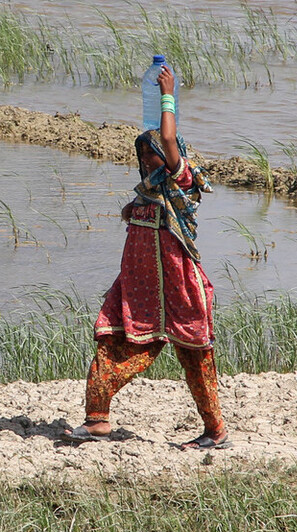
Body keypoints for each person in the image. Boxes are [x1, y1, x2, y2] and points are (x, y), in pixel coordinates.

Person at [64, 65, 227, 450]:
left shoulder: (181, 183)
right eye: (142, 156)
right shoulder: (145, 196)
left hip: (177, 287)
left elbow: (168, 137)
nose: (146, 161)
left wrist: (167, 94)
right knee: (112, 340)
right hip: (138, 290)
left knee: (196, 360)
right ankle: (97, 419)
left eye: (151, 155)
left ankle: (215, 430)